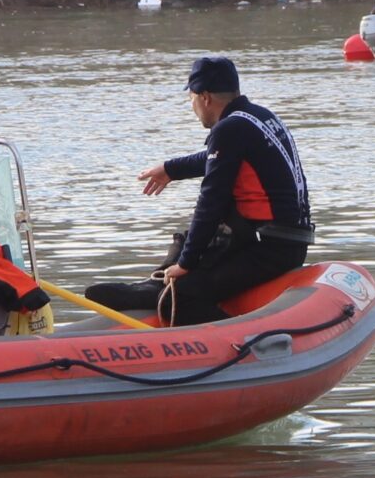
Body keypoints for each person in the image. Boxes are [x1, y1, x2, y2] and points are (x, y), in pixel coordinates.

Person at [88, 56, 313, 326]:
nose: (191, 105)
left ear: (205, 97)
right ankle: (157, 282)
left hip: (268, 250)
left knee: (181, 296)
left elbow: (211, 202)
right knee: (188, 240)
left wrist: (186, 263)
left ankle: (230, 335)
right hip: (286, 241)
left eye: (192, 97)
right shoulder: (259, 116)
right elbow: (217, 158)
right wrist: (171, 169)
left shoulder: (229, 130)